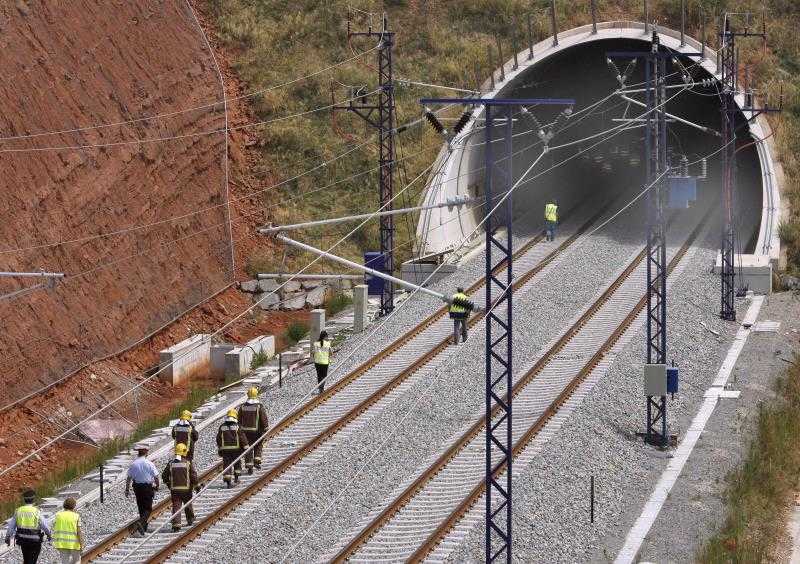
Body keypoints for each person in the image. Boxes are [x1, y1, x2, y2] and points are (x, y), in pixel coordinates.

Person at [4, 489, 51, 564]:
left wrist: (7, 538)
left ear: (24, 500)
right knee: (32, 560)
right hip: (35, 541)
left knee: (26, 559)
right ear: (33, 499)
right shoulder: (36, 511)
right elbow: (45, 525)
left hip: (23, 540)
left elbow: (11, 527)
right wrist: (49, 535)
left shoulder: (18, 511)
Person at [161, 443, 198, 532]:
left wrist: (169, 484)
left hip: (175, 490)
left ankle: (176, 524)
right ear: (184, 452)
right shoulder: (188, 463)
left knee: (176, 506)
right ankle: (190, 519)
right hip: (186, 489)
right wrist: (196, 486)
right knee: (188, 504)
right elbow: (193, 476)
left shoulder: (171, 464)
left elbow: (164, 476)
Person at [125, 444, 160, 535]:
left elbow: (129, 478)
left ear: (139, 453)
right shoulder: (149, 463)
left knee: (141, 508)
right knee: (148, 509)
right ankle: (140, 523)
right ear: (146, 453)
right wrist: (157, 485)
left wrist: (127, 489)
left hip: (137, 488)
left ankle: (143, 529)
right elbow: (156, 477)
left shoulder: (133, 464)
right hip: (147, 487)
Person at [238, 387, 269, 473]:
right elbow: (263, 418)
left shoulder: (242, 406)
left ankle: (249, 466)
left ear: (248, 395)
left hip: (245, 432)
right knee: (258, 445)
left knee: (248, 448)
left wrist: (240, 430)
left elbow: (239, 419)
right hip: (257, 431)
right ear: (256, 395)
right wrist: (266, 427)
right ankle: (257, 462)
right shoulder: (259, 406)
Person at [216, 409, 249, 488]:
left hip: (225, 450)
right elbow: (242, 437)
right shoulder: (237, 426)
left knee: (227, 465)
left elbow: (218, 438)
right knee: (237, 463)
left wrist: (220, 448)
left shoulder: (222, 427)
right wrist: (246, 446)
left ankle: (228, 482)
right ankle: (236, 478)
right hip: (236, 450)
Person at [51, 497, 83, 564]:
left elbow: (54, 527)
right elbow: (79, 532)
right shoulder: (76, 516)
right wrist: (81, 544)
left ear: (64, 505)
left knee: (65, 561)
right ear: (74, 506)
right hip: (74, 544)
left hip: (61, 543)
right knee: (77, 560)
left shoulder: (58, 515)